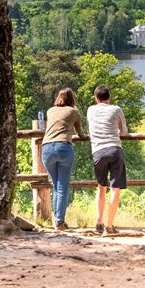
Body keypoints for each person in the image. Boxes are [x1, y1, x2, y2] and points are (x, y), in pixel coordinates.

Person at [87, 85, 128, 235]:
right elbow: (124, 131)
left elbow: (89, 129)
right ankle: (109, 226)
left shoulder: (90, 110)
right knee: (115, 189)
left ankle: (99, 222)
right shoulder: (116, 109)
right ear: (109, 97)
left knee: (101, 187)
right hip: (115, 149)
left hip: (98, 151)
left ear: (96, 98)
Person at [42, 88, 82, 231]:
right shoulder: (74, 112)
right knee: (62, 187)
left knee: (56, 185)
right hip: (64, 147)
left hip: (46, 149)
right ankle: (59, 223)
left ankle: (57, 221)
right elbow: (80, 132)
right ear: (72, 99)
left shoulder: (50, 110)